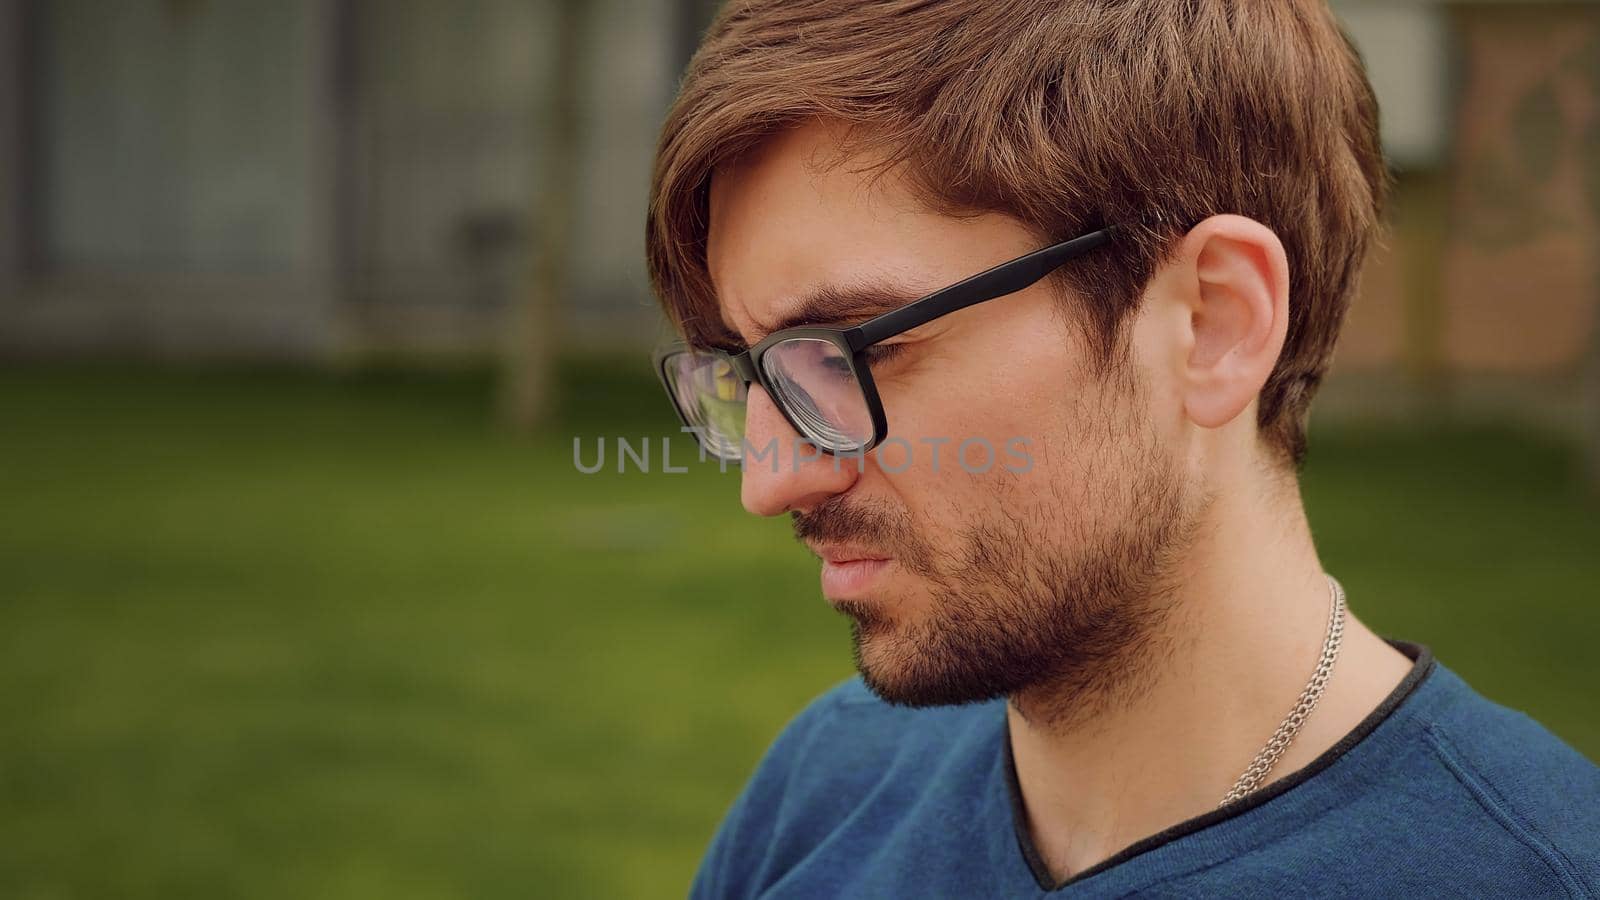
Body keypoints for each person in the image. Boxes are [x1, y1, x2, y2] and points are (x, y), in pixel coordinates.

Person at [644, 1, 1600, 896]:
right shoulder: (824, 790)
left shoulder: (1530, 870)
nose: (772, 481)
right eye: (748, 373)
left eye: (859, 347)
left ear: (1214, 322)